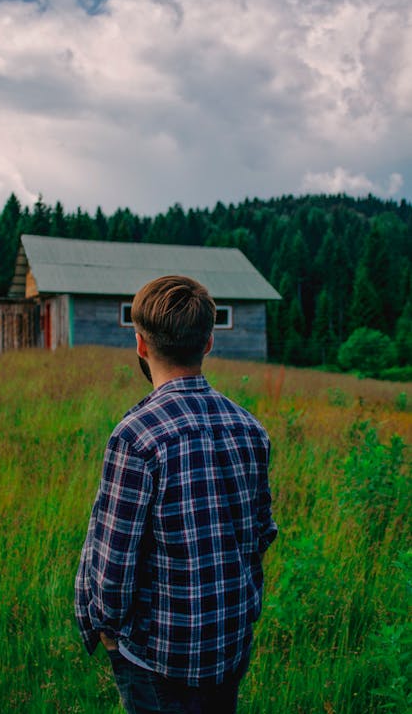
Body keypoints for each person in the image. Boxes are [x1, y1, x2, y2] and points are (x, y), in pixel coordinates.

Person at [75, 275, 277, 714]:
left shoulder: (136, 437)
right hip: (230, 645)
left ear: (141, 346)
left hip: (159, 659)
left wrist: (107, 634)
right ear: (207, 344)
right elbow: (261, 534)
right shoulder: (250, 429)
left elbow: (114, 565)